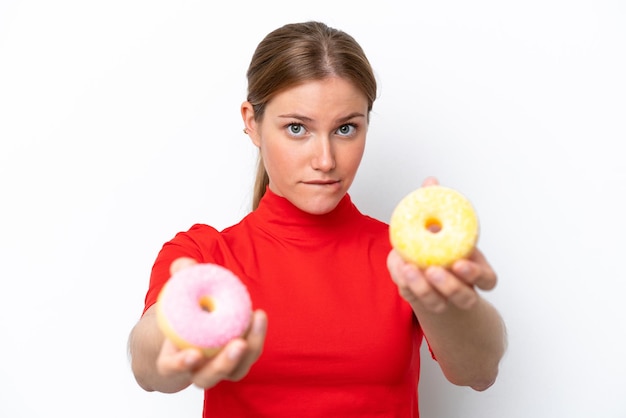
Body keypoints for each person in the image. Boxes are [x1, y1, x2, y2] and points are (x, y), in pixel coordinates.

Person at [128, 20, 507, 417]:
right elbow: (147, 367)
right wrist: (178, 330)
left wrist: (441, 298)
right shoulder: (206, 257)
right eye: (297, 128)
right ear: (251, 123)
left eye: (346, 128)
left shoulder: (403, 257)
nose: (325, 160)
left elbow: (479, 372)